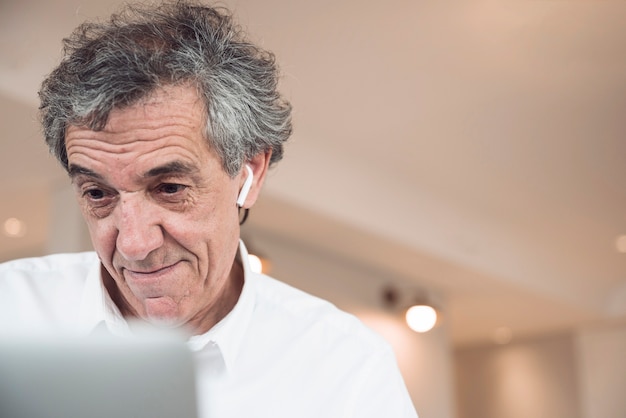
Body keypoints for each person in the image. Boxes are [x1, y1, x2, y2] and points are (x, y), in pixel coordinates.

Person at [0, 1, 418, 417]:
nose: (134, 244)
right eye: (97, 194)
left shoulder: (347, 368)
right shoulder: (11, 309)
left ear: (249, 173)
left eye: (169, 188)